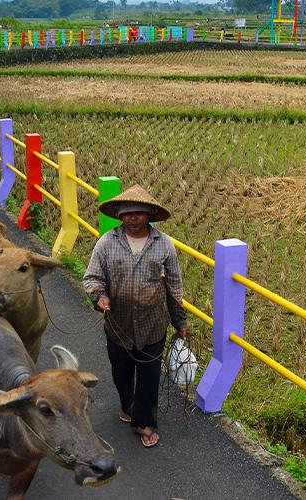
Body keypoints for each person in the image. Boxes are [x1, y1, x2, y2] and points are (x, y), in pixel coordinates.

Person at [83, 185, 189, 448]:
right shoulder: (107, 242)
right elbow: (93, 277)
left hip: (153, 323)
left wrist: (180, 321)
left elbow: (174, 286)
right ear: (120, 216)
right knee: (121, 372)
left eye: (138, 213)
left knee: (149, 376)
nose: (132, 218)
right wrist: (99, 296)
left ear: (149, 215)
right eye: (126, 213)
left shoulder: (163, 244)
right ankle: (128, 406)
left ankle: (145, 423)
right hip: (118, 325)